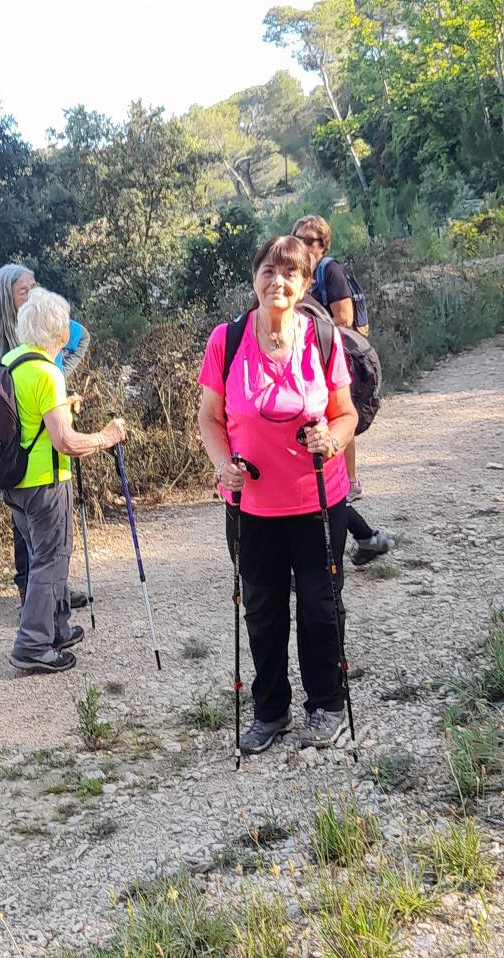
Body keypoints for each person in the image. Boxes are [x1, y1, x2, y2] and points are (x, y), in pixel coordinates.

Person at [198, 236, 358, 754]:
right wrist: (224, 466)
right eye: (269, 271)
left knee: (319, 606)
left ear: (306, 284)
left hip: (317, 500)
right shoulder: (227, 339)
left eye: (290, 274)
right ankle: (270, 712)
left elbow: (346, 412)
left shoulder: (323, 337)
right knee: (263, 610)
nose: (278, 282)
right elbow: (209, 418)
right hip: (251, 506)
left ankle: (327, 705)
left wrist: (333, 440)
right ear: (255, 278)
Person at [1, 287, 125, 672]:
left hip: (15, 479)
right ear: (59, 332)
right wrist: (106, 438)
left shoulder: (13, 361)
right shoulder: (47, 372)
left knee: (44, 556)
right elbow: (65, 441)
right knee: (50, 560)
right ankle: (33, 645)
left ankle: (56, 628)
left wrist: (61, 407)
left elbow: (29, 416)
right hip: (45, 480)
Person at [0, 263, 91, 607]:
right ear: (7, 298)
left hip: (51, 433)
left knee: (55, 522)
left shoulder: (46, 320)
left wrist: (60, 374)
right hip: (16, 442)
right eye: (24, 291)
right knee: (26, 522)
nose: (32, 295)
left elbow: (80, 336)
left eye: (33, 286)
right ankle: (31, 591)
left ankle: (55, 591)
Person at [292, 215, 393, 566]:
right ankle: (366, 537)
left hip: (335, 365)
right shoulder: (297, 276)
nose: (304, 245)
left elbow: (345, 319)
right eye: (298, 238)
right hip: (313, 369)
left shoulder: (329, 272)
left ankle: (350, 489)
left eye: (311, 240)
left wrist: (305, 340)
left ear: (323, 244)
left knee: (324, 458)